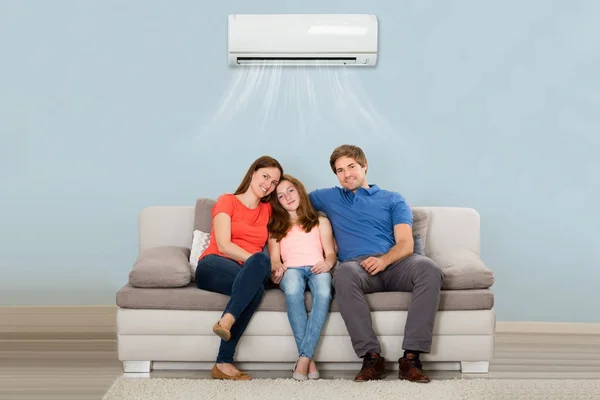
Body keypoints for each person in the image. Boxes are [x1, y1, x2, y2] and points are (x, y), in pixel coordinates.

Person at [308, 144, 443, 383]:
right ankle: (372, 359)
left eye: (351, 166)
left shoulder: (393, 199)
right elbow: (291, 200)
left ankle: (411, 359)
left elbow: (405, 244)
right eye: (340, 170)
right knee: (343, 274)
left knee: (429, 269)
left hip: (396, 262)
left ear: (364, 165)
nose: (347, 174)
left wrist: (384, 260)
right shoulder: (329, 197)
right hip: (358, 268)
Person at [195, 155, 283, 381]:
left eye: (274, 182)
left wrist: (276, 262)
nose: (268, 184)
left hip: (248, 273)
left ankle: (223, 359)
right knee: (258, 265)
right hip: (214, 265)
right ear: (253, 173)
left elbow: (274, 242)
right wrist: (256, 262)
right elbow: (224, 245)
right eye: (265, 176)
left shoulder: (268, 210)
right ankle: (224, 355)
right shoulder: (227, 201)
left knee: (258, 277)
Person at [267, 175, 337, 381]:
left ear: (299, 190)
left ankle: (304, 359)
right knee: (293, 290)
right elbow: (274, 258)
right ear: (277, 202)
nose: (287, 197)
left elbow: (331, 253)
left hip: (318, 266)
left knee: (324, 292)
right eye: (280, 196)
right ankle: (309, 360)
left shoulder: (320, 221)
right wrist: (277, 267)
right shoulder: (276, 226)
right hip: (291, 270)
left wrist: (328, 263)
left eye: (290, 190)